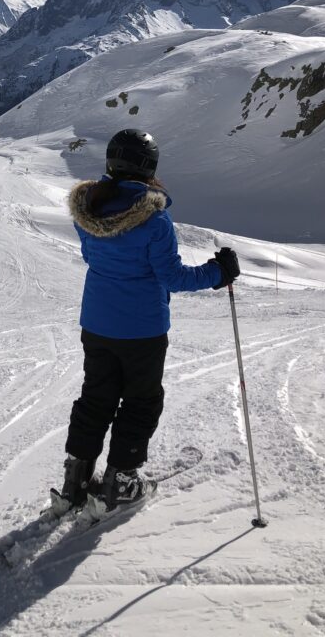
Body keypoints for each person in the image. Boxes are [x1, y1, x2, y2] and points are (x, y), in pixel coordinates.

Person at [56, 128, 239, 513]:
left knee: (96, 398)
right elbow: (172, 277)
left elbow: (95, 259)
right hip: (142, 330)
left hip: (96, 324)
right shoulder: (154, 221)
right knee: (141, 401)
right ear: (149, 167)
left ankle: (75, 481)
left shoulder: (86, 211)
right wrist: (218, 273)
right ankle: (120, 481)